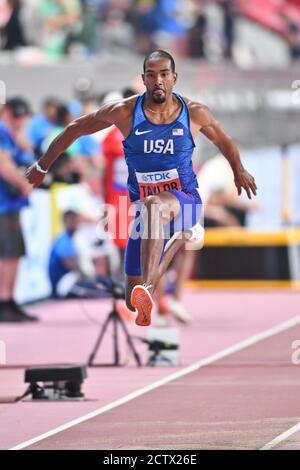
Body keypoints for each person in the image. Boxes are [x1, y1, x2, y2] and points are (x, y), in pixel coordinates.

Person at [25, 49, 257, 327]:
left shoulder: (194, 113)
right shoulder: (124, 112)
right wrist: (42, 166)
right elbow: (75, 128)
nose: (158, 80)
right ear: (144, 79)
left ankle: (151, 284)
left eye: (163, 75)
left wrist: (239, 171)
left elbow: (224, 141)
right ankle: (150, 283)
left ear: (174, 78)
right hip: (144, 217)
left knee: (155, 206)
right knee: (130, 301)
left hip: (185, 202)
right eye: (151, 75)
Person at [0, 97, 38, 322]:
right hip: (4, 204)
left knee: (13, 254)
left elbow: (25, 150)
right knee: (9, 254)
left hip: (9, 204)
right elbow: (3, 164)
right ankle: (5, 300)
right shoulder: (3, 132)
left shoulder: (11, 134)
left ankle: (9, 300)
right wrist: (23, 183)